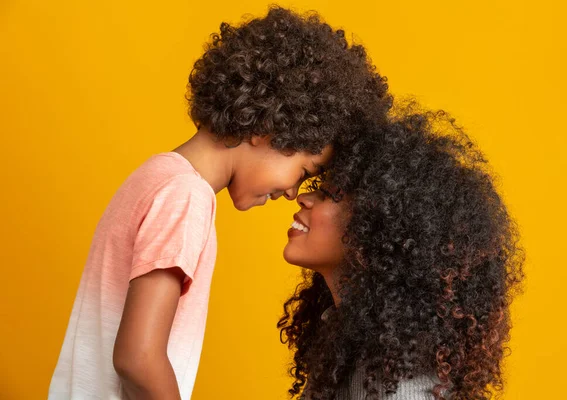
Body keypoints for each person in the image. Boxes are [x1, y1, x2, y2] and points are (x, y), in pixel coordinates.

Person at [48, 6, 392, 400]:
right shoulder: (186, 197)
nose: (293, 193)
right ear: (271, 128)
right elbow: (137, 357)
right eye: (302, 171)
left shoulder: (157, 176)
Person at [279, 107, 525, 400]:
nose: (304, 197)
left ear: (379, 230)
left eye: (331, 195)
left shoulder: (393, 380)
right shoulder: (354, 344)